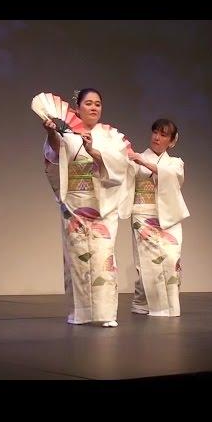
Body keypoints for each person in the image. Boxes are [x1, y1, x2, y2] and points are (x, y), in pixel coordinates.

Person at [42, 88, 129, 327]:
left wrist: (95, 152)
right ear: (77, 108)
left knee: (103, 259)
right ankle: (79, 313)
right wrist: (51, 134)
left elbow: (121, 166)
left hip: (103, 205)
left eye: (97, 104)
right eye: (88, 103)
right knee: (78, 260)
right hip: (75, 203)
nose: (93, 108)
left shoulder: (111, 136)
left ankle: (106, 314)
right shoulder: (68, 136)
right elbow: (55, 157)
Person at [120, 119, 189, 317]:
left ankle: (144, 302)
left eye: (163, 134)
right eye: (155, 132)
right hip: (143, 213)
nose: (157, 137)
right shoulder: (137, 157)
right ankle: (147, 304)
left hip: (169, 215)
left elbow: (173, 177)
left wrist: (142, 162)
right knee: (147, 262)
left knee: (171, 258)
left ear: (172, 141)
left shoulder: (175, 163)